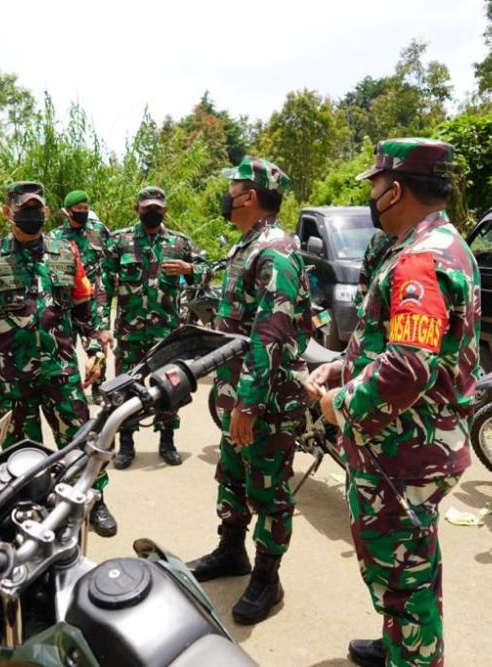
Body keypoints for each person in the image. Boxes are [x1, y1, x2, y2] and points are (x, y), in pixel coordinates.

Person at [307, 138, 480, 667]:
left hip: (404, 451)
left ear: (396, 189)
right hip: (419, 442)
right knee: (411, 560)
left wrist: (340, 402)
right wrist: (344, 363)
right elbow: (410, 345)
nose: (373, 196)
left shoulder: (420, 260)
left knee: (403, 573)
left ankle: (414, 654)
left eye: (375, 185)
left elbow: (408, 368)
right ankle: (400, 642)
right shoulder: (442, 243)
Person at [187, 157, 313, 624]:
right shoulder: (248, 244)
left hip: (266, 401)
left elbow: (271, 333)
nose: (228, 195)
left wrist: (249, 402)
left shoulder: (275, 249)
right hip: (238, 394)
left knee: (269, 490)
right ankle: (231, 552)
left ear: (252, 196)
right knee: (234, 477)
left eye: (234, 188)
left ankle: (267, 578)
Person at [0, 181, 118, 536]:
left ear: (47, 211)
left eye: (38, 208)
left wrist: (94, 347)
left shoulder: (66, 253)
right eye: (24, 208)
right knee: (18, 451)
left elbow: (84, 307)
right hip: (11, 376)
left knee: (79, 439)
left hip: (60, 372)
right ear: (7, 211)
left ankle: (94, 499)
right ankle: (26, 508)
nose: (32, 214)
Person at [102, 186, 208, 468]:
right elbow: (104, 287)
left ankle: (167, 441)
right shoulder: (119, 241)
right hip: (129, 332)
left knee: (171, 387)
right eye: (147, 208)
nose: (152, 213)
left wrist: (189, 269)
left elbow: (209, 269)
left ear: (165, 211)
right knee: (125, 389)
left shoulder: (179, 243)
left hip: (167, 334)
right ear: (137, 209)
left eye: (157, 209)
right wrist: (102, 327)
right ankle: (126, 444)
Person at [50, 190, 112, 404]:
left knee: (98, 347)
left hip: (94, 300)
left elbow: (111, 261)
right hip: (66, 301)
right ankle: (69, 387)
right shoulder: (55, 237)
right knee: (65, 345)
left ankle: (99, 385)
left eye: (86, 208)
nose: (84, 212)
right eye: (79, 209)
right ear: (67, 211)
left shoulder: (99, 231)